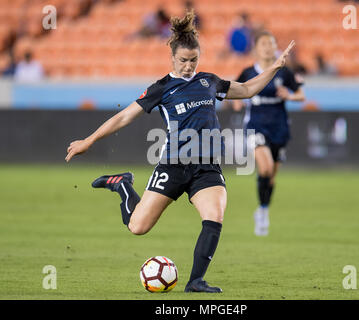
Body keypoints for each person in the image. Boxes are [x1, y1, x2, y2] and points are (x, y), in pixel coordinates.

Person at [65, 10, 295, 293]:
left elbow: (247, 90)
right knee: (137, 227)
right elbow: (124, 116)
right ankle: (123, 185)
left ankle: (196, 281)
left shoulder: (209, 82)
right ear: (172, 58)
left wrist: (275, 68)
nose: (188, 66)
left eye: (193, 60)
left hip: (206, 167)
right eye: (183, 60)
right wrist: (89, 140)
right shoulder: (161, 88)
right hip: (173, 165)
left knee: (214, 216)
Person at [232, 31, 304, 236]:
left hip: (279, 126)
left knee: (271, 176)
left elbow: (301, 95)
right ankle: (263, 213)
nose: (268, 47)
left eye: (271, 43)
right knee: (265, 168)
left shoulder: (285, 72)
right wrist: (237, 103)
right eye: (263, 43)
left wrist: (289, 96)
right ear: (256, 48)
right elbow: (236, 90)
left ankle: (263, 210)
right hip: (256, 124)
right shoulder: (248, 72)